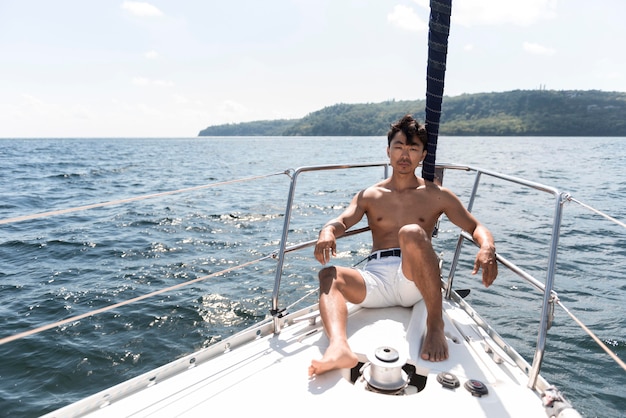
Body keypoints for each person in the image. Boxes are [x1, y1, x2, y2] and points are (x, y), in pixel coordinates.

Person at [308, 114, 498, 377]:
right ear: (388, 152)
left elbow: (476, 227)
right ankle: (339, 348)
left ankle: (434, 325)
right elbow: (342, 221)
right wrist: (327, 230)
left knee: (410, 232)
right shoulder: (370, 195)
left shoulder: (436, 194)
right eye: (398, 147)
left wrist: (487, 246)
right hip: (376, 278)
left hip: (415, 279)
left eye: (412, 149)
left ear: (423, 155)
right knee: (329, 275)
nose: (404, 155)